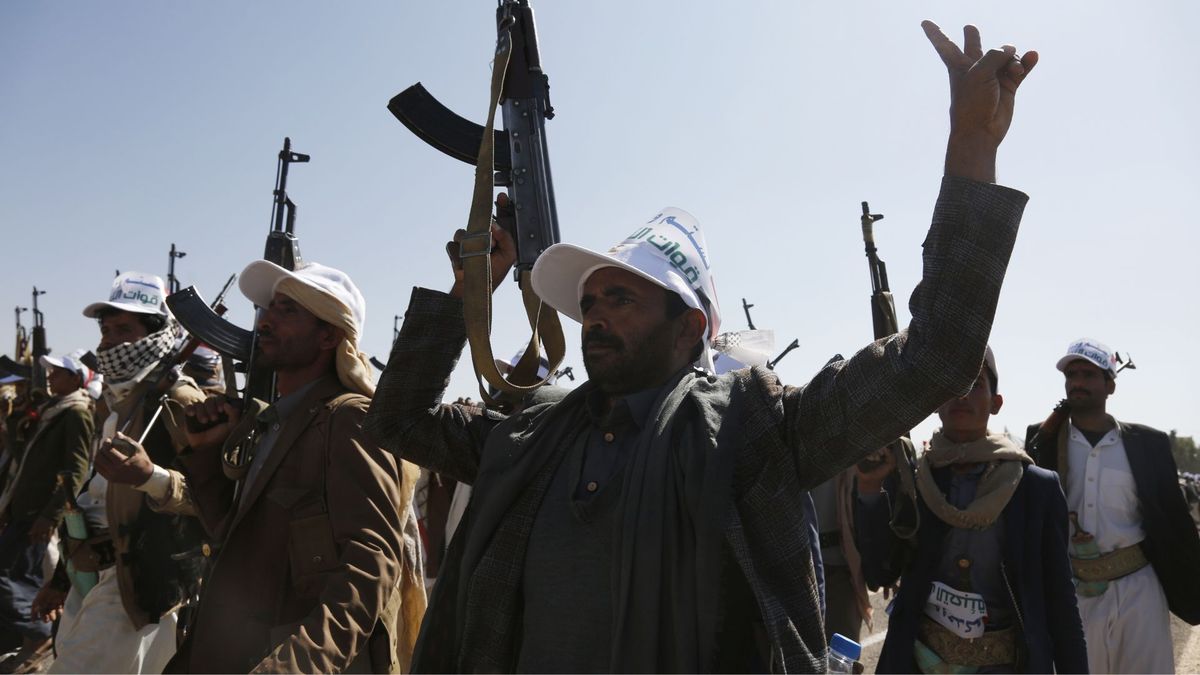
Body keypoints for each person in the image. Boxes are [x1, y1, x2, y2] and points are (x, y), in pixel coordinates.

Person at [364, 22, 1037, 671]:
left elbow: (937, 355)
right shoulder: (536, 434)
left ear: (688, 327)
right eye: (589, 303)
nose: (595, 317)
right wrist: (470, 290)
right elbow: (399, 421)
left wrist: (972, 144)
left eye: (621, 299)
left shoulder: (755, 433)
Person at [154, 260, 425, 673]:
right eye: (269, 308)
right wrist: (208, 454)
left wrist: (295, 666)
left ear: (328, 336)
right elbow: (235, 538)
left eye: (288, 310)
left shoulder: (346, 420)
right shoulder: (274, 422)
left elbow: (371, 567)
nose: (265, 321)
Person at [857, 347, 1087, 673]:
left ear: (996, 403)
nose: (961, 395)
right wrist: (869, 489)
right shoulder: (913, 478)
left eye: (975, 384)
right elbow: (879, 574)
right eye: (952, 385)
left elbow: (1061, 603)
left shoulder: (1035, 488)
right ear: (935, 402)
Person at [30, 272, 207, 674]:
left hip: (140, 584)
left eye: (124, 329)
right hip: (90, 573)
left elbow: (212, 499)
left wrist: (151, 477)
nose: (109, 341)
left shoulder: (180, 400)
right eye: (106, 330)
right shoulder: (116, 402)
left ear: (156, 333)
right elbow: (95, 502)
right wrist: (61, 581)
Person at [1025, 338, 1200, 673]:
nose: (1077, 382)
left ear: (1110, 385)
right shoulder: (1043, 440)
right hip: (1071, 592)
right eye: (1072, 374)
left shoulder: (1147, 444)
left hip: (1138, 590)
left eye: (1089, 375)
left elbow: (1174, 520)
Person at [0, 352, 94, 673]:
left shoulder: (76, 413)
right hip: (23, 510)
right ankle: (26, 639)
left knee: (9, 578)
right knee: (17, 577)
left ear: (75, 378)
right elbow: (24, 460)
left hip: (38, 515)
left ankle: (38, 635)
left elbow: (76, 471)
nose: (50, 377)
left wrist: (50, 516)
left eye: (57, 372)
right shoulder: (52, 410)